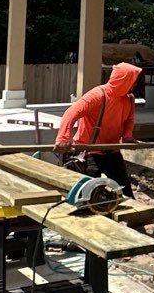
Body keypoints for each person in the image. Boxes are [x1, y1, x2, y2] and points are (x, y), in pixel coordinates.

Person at [54, 61, 141, 197]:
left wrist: (127, 136)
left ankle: (132, 214)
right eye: (133, 81)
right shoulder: (97, 95)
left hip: (112, 150)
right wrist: (63, 137)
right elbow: (71, 113)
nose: (135, 84)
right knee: (89, 193)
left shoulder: (128, 98)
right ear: (124, 80)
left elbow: (129, 120)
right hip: (90, 152)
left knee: (124, 189)